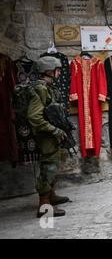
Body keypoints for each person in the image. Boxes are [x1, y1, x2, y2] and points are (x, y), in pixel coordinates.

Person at [27, 56, 70, 218]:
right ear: (49, 71)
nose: (59, 73)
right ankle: (44, 205)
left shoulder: (47, 87)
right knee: (48, 166)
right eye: (57, 70)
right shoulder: (40, 89)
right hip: (46, 135)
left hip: (50, 134)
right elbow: (34, 117)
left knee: (53, 163)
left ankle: (51, 195)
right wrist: (54, 130)